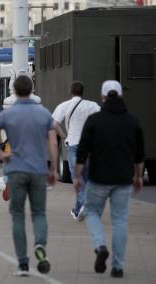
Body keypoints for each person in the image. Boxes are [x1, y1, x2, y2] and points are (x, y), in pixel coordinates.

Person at [0, 75, 58, 276]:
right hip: (39, 171)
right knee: (39, 213)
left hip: (15, 169)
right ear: (31, 89)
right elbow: (53, 143)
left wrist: (0, 154)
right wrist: (54, 169)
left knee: (17, 215)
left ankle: (23, 264)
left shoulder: (9, 114)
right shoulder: (43, 113)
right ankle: (40, 245)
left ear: (14, 91)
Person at [74, 80, 144, 278]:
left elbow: (83, 151)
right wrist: (138, 176)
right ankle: (118, 266)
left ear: (103, 97)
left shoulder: (95, 120)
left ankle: (100, 246)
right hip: (123, 178)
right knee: (120, 220)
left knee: (93, 212)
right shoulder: (133, 120)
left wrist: (78, 176)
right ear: (121, 95)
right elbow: (139, 154)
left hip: (98, 178)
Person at [52, 81, 100, 221]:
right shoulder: (91, 105)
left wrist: (62, 135)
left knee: (77, 178)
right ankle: (77, 210)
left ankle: (85, 203)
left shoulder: (64, 106)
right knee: (85, 178)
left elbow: (53, 123)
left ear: (70, 92)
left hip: (73, 145)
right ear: (82, 92)